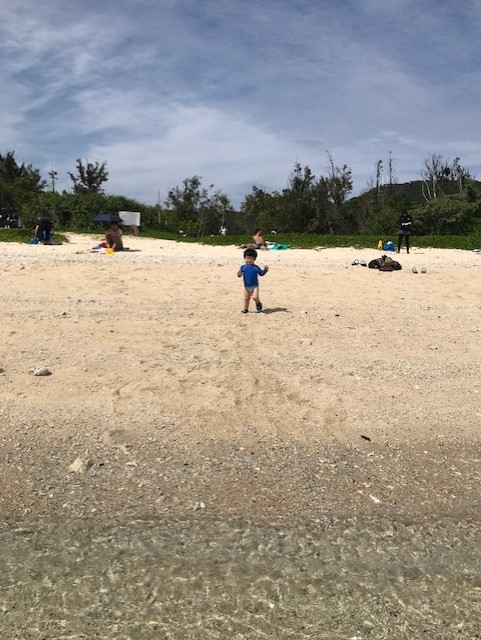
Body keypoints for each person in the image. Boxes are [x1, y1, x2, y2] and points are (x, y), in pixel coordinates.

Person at [237, 248, 269, 314]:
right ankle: (245, 309)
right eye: (247, 258)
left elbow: (261, 274)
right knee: (246, 298)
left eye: (251, 259)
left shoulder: (256, 267)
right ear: (244, 258)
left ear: (254, 259)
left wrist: (265, 270)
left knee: (255, 297)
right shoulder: (243, 267)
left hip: (255, 286)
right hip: (246, 286)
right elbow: (239, 275)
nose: (249, 260)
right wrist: (239, 274)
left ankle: (258, 303)